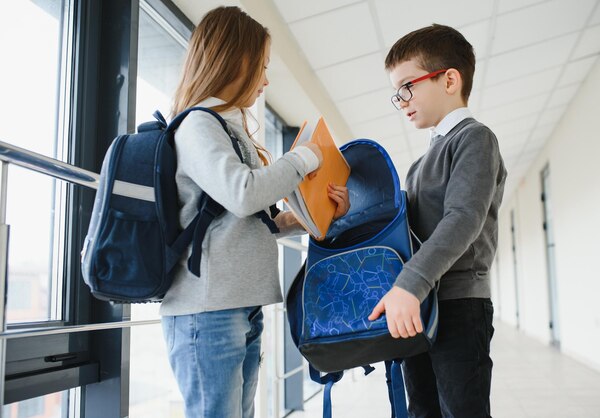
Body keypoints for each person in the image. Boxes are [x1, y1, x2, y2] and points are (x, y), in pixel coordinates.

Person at [159, 6, 349, 418]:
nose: (264, 80)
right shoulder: (196, 126)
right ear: (234, 61)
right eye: (260, 67)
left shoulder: (229, 130)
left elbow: (251, 219)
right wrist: (304, 159)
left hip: (239, 305)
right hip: (206, 312)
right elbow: (243, 194)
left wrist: (311, 216)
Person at [368, 24, 507, 418]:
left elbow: (463, 218)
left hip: (459, 304)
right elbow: (408, 228)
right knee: (423, 411)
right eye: (398, 93)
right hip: (421, 305)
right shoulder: (419, 164)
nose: (402, 100)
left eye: (407, 86)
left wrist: (409, 283)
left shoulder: (475, 139)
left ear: (449, 79)